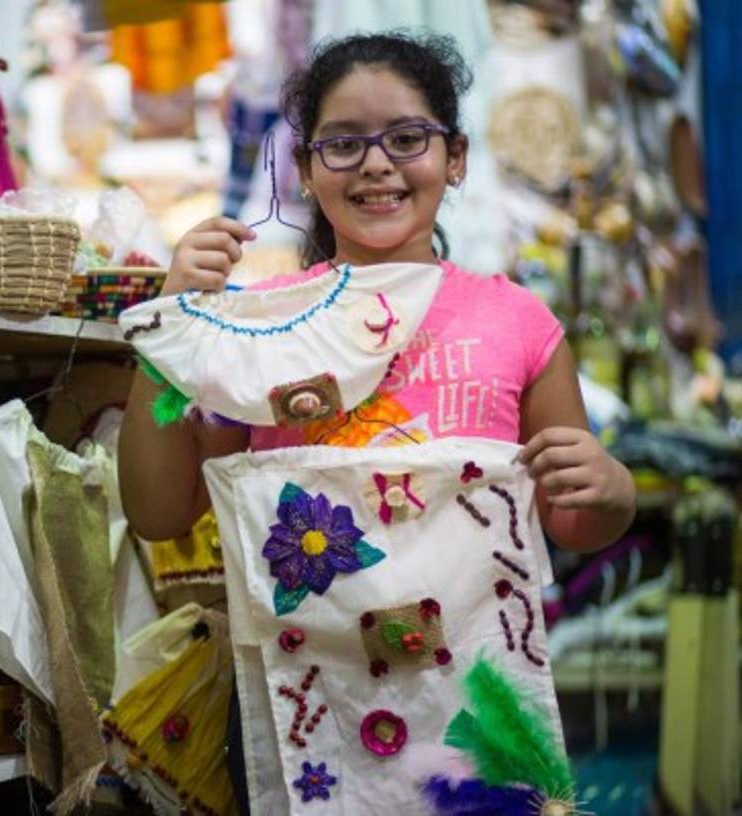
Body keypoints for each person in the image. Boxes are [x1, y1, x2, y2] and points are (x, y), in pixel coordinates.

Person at [117, 30, 636, 809]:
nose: (376, 163)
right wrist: (172, 329)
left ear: (455, 158)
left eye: (406, 137)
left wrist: (613, 490)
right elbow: (158, 512)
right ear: (305, 169)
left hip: (475, 719)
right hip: (305, 723)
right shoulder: (256, 332)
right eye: (343, 143)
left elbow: (573, 521)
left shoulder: (518, 323)